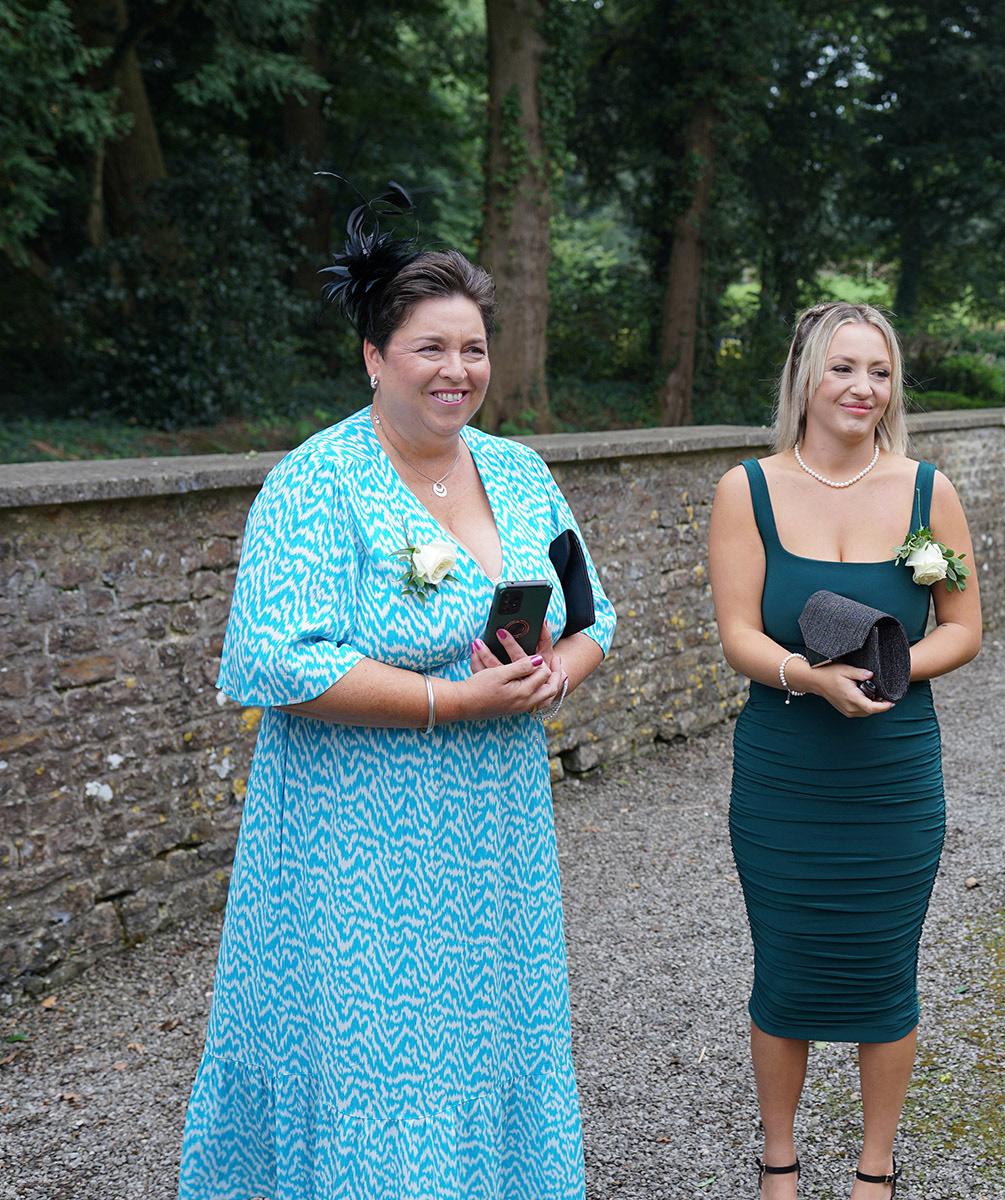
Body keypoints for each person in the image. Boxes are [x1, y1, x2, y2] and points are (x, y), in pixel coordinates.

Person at [177, 195, 615, 1199]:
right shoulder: (317, 482)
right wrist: (449, 703)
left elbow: (595, 616)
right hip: (357, 840)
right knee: (371, 1054)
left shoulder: (520, 473)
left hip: (494, 832)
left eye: (474, 348)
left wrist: (556, 671)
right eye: (430, 348)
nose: (457, 370)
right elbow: (274, 657)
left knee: (485, 1037)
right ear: (374, 358)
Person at [707, 302, 982, 1200]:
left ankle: (875, 1169)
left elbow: (964, 628)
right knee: (784, 968)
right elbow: (739, 636)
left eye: (881, 371)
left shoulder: (928, 490)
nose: (864, 388)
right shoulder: (746, 490)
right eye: (844, 368)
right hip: (785, 770)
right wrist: (809, 676)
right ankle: (778, 1164)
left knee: (883, 969)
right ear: (804, 376)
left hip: (892, 774)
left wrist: (891, 670)